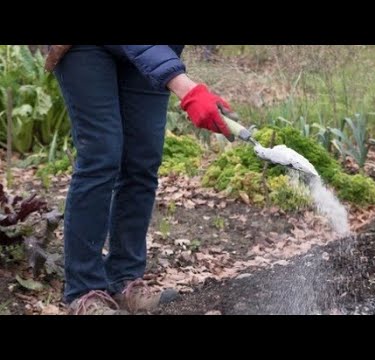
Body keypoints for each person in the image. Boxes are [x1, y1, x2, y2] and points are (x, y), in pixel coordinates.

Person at [46, 45, 235, 315]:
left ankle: (124, 278)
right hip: (84, 49)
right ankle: (85, 290)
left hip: (151, 51)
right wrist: (185, 87)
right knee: (102, 155)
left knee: (142, 160)